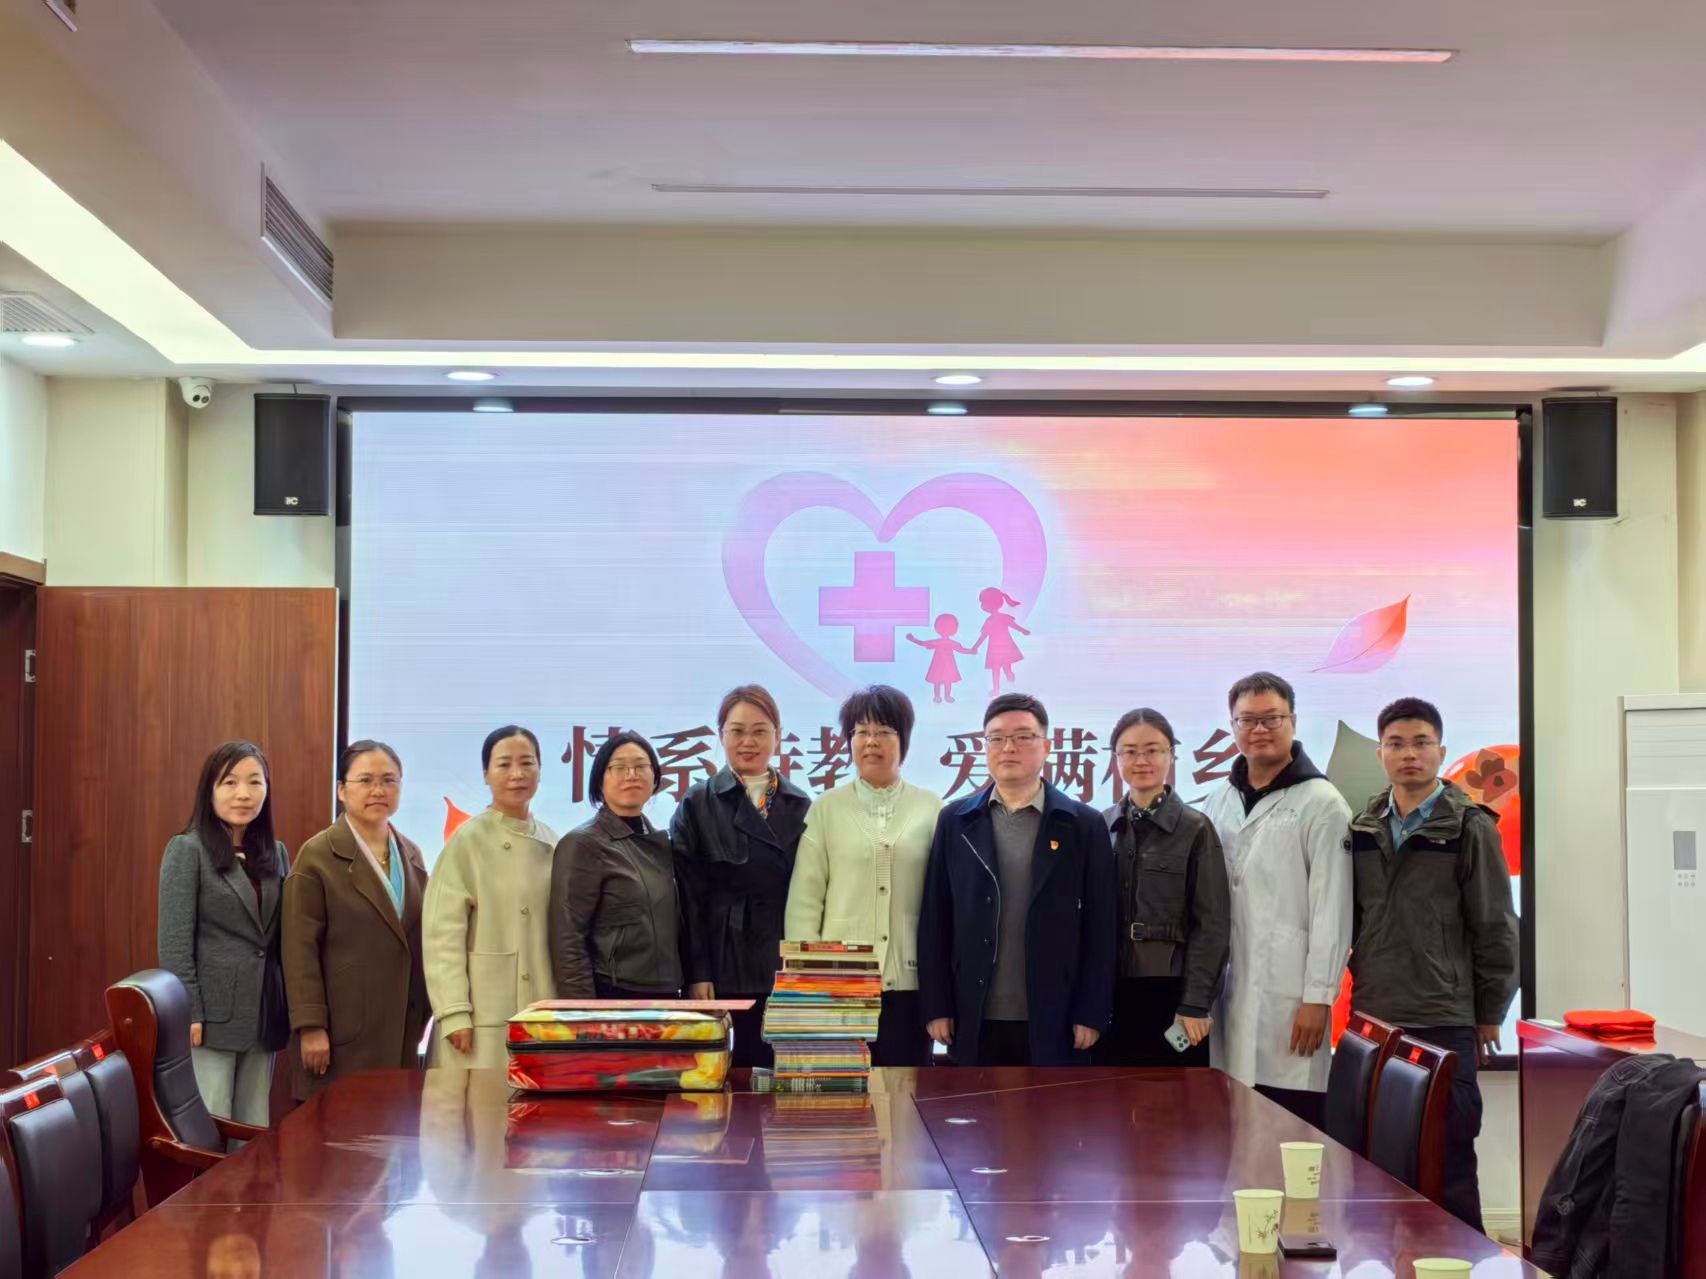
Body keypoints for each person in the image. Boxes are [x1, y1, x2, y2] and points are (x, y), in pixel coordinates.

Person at [1349, 697, 1518, 1230]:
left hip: (1444, 1015)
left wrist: (1489, 1012)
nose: (1409, 755)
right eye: (1396, 744)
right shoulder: (1363, 827)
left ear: (1441, 752)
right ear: (1380, 754)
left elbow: (1496, 926)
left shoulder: (1470, 827)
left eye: (1421, 743)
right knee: (1378, 1162)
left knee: (1448, 1161)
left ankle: (1462, 1258)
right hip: (1376, 1017)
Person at [917, 693, 1116, 1066]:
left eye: (1023, 736)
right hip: (972, 1011)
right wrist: (937, 1005)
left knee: (1052, 1105)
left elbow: (1101, 926)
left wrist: (1091, 1010)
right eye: (996, 738)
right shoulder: (955, 821)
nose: (1008, 747)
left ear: (1046, 747)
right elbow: (935, 918)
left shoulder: (1083, 824)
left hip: (1056, 1013)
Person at [1204, 672, 1352, 1126]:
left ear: (1293, 721)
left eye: (1271, 718)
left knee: (1290, 1128)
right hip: (1228, 992)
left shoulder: (1322, 802)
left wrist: (1318, 998)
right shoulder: (1219, 798)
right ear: (1232, 726)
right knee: (1230, 1127)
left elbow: (1333, 908)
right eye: (1247, 720)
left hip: (1291, 998)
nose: (1259, 730)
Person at [785, 685, 943, 1066]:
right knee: (843, 1091)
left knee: (906, 1091)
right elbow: (805, 901)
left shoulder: (933, 808)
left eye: (884, 731)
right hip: (838, 986)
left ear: (903, 740)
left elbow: (944, 901)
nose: (871, 741)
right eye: (861, 732)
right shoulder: (825, 808)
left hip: (911, 985)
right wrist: (808, 983)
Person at [671, 684, 811, 1067]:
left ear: (778, 736)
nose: (748, 742)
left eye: (760, 731)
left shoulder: (801, 804)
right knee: (725, 1073)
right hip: (723, 959)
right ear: (721, 736)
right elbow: (687, 900)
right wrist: (698, 972)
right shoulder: (697, 802)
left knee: (785, 1070)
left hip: (783, 960)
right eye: (737, 731)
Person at [282, 740, 430, 1098]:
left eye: (389, 780)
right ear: (342, 790)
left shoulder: (411, 853)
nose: (378, 790)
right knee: (339, 1125)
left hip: (400, 1026)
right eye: (365, 780)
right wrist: (311, 1026)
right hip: (341, 1029)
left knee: (393, 1125)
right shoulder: (318, 855)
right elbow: (298, 949)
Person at [157, 741, 290, 1127]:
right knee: (212, 1125)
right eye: (229, 782)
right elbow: (174, 943)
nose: (243, 793)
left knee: (254, 1126)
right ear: (209, 790)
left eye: (255, 782)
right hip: (211, 1020)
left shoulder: (276, 853)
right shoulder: (187, 850)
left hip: (264, 1014)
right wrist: (191, 1012)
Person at [1096, 708, 1231, 1067]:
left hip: (1172, 992)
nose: (1141, 760)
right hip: (1108, 990)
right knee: (1108, 1095)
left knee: (1173, 1098)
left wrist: (1196, 1003)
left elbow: (1212, 924)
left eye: (1153, 750)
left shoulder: (1195, 828)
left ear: (1171, 755)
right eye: (1129, 751)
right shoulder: (1101, 826)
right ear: (1116, 758)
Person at [422, 725, 559, 1069]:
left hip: (542, 1005)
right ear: (486, 774)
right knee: (480, 1101)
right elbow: (442, 933)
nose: (517, 774)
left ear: (540, 769)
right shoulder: (468, 840)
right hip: (481, 1013)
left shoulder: (553, 841)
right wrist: (453, 1011)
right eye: (504, 764)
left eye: (526, 762)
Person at [550, 730, 688, 999]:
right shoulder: (583, 843)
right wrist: (582, 1013)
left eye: (640, 766)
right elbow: (568, 940)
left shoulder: (662, 843)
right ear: (599, 780)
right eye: (619, 767)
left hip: (667, 994)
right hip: (612, 994)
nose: (631, 775)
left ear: (655, 777)